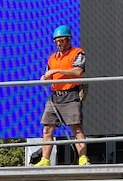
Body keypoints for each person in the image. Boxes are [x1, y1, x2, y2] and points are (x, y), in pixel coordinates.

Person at [34, 25, 90, 167]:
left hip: (70, 94)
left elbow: (78, 72)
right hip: (55, 96)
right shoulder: (52, 58)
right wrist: (44, 78)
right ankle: (45, 160)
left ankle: (83, 159)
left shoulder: (77, 53)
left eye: (62, 40)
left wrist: (57, 70)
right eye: (57, 41)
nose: (59, 43)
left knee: (76, 128)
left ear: (69, 40)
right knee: (47, 128)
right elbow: (49, 74)